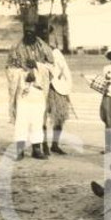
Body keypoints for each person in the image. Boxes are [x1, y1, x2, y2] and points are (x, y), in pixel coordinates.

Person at [7, 24, 54, 160]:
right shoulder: (16, 48)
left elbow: (52, 67)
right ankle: (20, 150)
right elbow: (9, 68)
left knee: (37, 120)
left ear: (35, 32)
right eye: (26, 31)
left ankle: (36, 149)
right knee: (21, 120)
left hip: (38, 90)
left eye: (31, 31)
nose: (29, 34)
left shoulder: (44, 48)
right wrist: (24, 75)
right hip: (23, 90)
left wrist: (37, 66)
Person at [37, 21, 74, 155]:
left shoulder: (56, 51)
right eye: (41, 33)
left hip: (56, 87)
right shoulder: (34, 51)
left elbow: (64, 68)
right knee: (40, 117)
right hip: (41, 87)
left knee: (59, 116)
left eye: (46, 32)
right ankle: (44, 144)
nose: (44, 35)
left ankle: (55, 144)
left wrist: (63, 83)